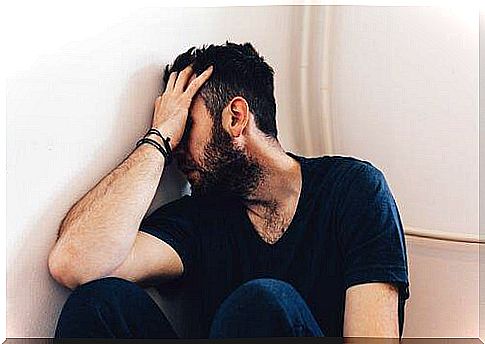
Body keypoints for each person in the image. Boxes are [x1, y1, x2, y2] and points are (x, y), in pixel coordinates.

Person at [48, 41, 410, 340]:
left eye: (185, 125)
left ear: (236, 117)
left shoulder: (353, 190)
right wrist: (155, 141)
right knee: (99, 300)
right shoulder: (200, 214)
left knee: (263, 302)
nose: (176, 149)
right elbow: (74, 265)